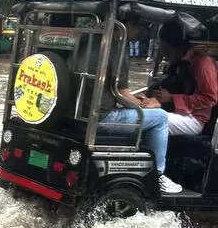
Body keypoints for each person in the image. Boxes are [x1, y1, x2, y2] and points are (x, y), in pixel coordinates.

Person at [93, 14, 183, 194]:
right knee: (160, 117)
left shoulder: (94, 41)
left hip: (83, 113)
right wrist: (146, 104)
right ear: (126, 25)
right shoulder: (118, 47)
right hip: (103, 117)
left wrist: (137, 100)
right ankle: (158, 176)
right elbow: (122, 93)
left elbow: (114, 90)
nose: (142, 31)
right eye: (139, 26)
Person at [144, 20, 218, 136]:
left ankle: (158, 155)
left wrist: (172, 98)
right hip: (175, 111)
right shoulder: (180, 63)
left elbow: (210, 98)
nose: (165, 55)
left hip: (194, 119)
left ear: (177, 46)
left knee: (147, 120)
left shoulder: (203, 63)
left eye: (167, 50)